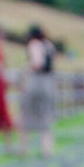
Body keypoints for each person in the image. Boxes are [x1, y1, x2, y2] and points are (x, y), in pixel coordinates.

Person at [20, 24, 57, 157]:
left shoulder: (34, 44)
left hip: (35, 82)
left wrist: (26, 70)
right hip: (48, 82)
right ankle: (46, 149)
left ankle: (24, 149)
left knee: (26, 115)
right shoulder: (49, 45)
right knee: (46, 115)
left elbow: (37, 63)